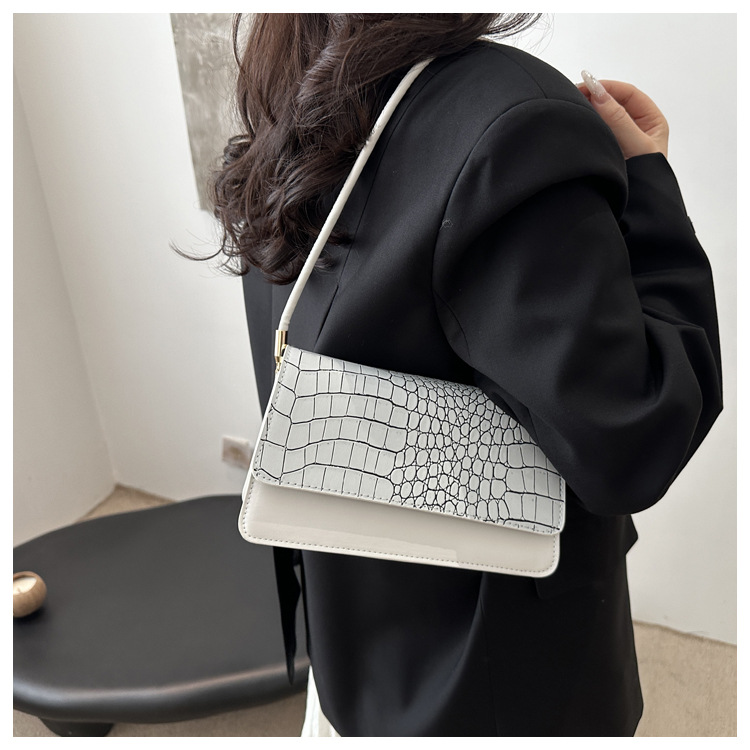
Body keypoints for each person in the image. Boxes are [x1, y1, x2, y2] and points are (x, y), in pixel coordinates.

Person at [210, 14, 723, 737]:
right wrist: (650, 186)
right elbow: (637, 438)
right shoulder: (516, 121)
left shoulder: (294, 82)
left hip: (353, 626)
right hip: (498, 673)